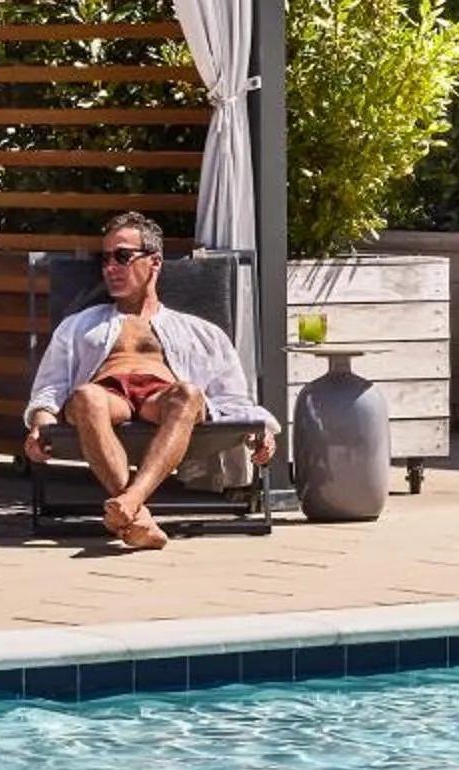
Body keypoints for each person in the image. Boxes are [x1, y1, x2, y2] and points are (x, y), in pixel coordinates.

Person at [23, 212, 276, 551]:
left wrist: (260, 430)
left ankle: (131, 505)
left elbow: (232, 397)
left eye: (122, 256)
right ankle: (136, 513)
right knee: (85, 396)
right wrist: (40, 426)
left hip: (163, 402)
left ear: (154, 262)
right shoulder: (78, 326)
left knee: (188, 393)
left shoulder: (200, 332)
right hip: (107, 398)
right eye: (106, 257)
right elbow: (50, 389)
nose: (110, 266)